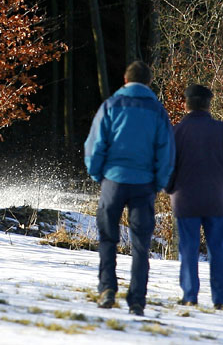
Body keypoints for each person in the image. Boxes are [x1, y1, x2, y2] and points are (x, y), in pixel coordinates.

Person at [84, 61, 175, 316]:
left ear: (125, 80)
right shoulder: (158, 111)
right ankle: (136, 301)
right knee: (140, 245)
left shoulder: (111, 105)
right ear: (148, 82)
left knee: (107, 238)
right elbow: (166, 151)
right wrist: (159, 181)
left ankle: (107, 290)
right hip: (144, 184)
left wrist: (97, 173)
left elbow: (95, 143)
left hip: (113, 180)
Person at [165, 84, 223, 310]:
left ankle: (190, 294)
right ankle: (220, 298)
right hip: (215, 199)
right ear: (209, 104)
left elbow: (166, 165)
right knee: (218, 249)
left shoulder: (176, 132)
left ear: (185, 104)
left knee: (188, 249)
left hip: (185, 200)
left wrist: (170, 187)